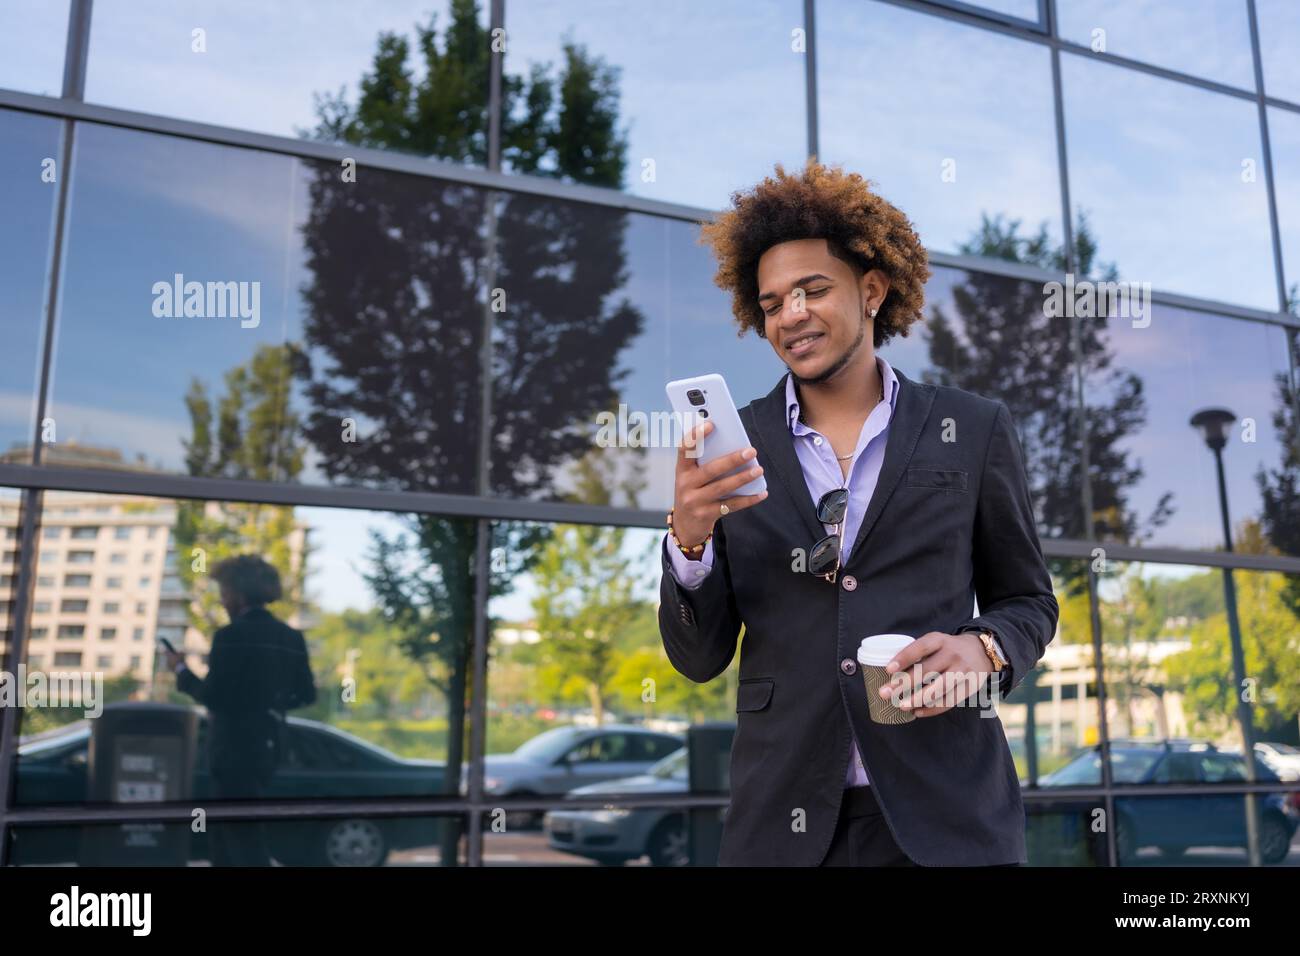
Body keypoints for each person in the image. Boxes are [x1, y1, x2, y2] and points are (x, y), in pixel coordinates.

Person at [659, 158, 1059, 866]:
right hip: (780, 823)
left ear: (872, 290)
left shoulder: (971, 429)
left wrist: (982, 649)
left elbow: (1027, 599)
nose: (793, 314)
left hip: (947, 818)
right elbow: (700, 659)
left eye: (813, 290)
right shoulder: (736, 447)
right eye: (774, 301)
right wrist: (689, 544)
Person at [165, 554, 317, 866]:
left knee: (232, 840)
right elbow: (306, 694)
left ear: (238, 594)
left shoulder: (229, 636)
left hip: (232, 751)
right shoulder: (291, 637)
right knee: (246, 835)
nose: (221, 599)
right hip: (269, 749)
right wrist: (266, 705)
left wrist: (180, 669)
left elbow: (213, 696)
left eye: (224, 591)